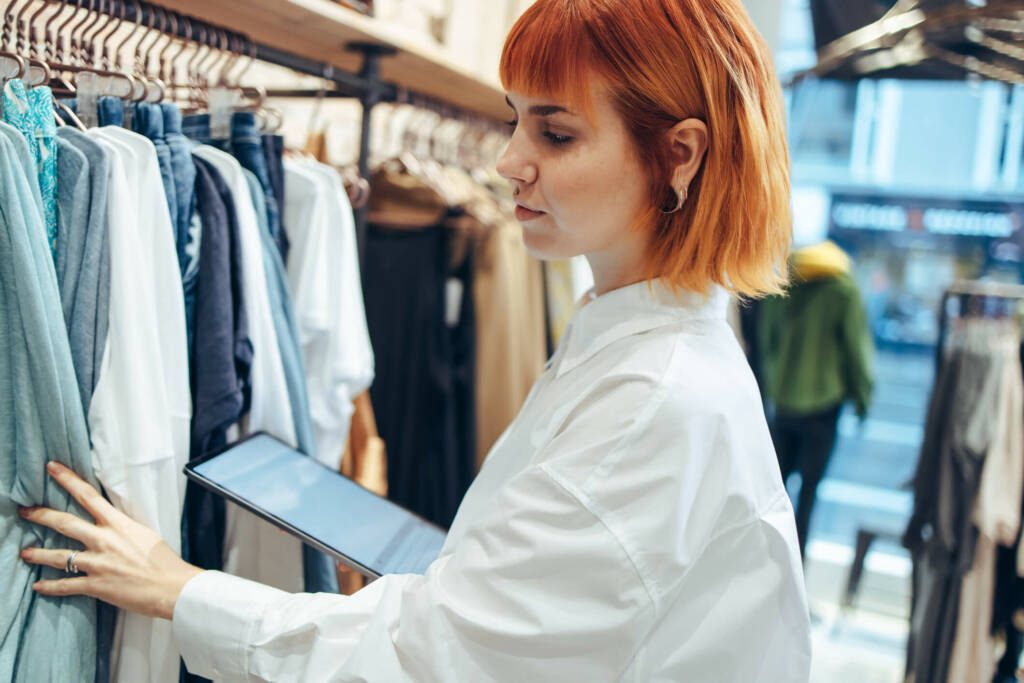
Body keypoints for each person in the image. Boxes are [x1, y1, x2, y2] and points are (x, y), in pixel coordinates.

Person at [17, 0, 811, 680]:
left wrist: (177, 588)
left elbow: (436, 658)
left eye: (556, 134)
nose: (509, 161)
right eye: (514, 121)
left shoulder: (656, 399)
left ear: (679, 154)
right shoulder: (636, 343)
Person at [757, 240, 875, 561]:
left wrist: (774, 382)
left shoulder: (783, 283)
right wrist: (862, 397)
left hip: (783, 402)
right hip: (824, 407)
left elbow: (768, 339)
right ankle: (795, 572)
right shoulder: (843, 290)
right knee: (808, 496)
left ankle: (760, 565)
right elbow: (856, 349)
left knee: (771, 493)